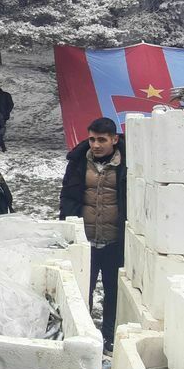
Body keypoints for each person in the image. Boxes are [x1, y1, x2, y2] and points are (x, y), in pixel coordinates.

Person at [59, 117, 127, 353]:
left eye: (101, 140)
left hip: (114, 242)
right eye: (91, 139)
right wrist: (68, 226)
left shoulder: (126, 164)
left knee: (113, 293)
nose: (96, 145)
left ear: (114, 139)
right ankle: (82, 336)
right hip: (85, 241)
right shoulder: (78, 162)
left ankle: (108, 337)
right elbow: (68, 196)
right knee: (80, 292)